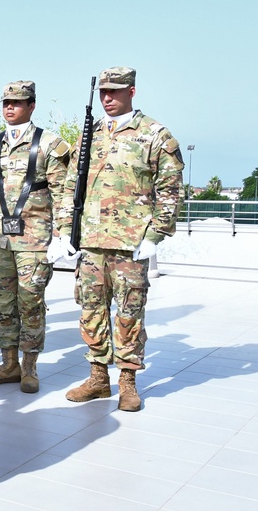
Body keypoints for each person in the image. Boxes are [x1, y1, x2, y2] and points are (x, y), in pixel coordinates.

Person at [53, 67, 183, 412]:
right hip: (91, 241)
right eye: (103, 93)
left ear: (132, 92)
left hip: (130, 241)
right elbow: (70, 186)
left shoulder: (155, 134)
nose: (108, 98)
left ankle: (128, 380)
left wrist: (156, 234)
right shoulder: (89, 135)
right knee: (91, 311)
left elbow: (170, 190)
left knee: (129, 313)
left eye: (115, 91)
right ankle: (98, 377)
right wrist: (66, 228)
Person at [0, 82, 71, 393]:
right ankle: (8, 364)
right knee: (2, 303)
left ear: (32, 105)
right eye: (6, 102)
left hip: (34, 240)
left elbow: (63, 193)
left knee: (30, 303)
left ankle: (29, 367)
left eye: (18, 102)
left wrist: (63, 233)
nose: (10, 108)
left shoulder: (50, 144)